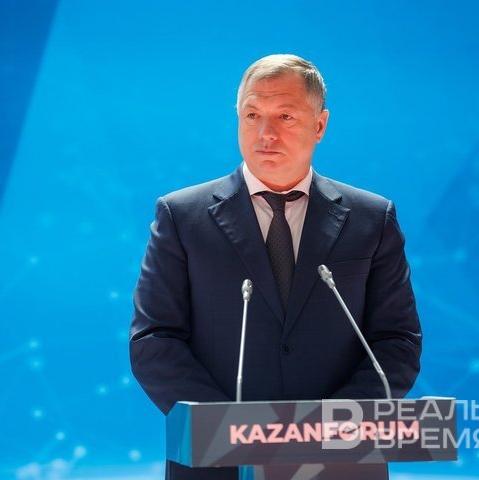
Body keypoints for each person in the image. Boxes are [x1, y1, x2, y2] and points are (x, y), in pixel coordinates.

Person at [130, 54, 422, 480]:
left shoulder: (372, 219)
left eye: (285, 116)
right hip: (217, 460)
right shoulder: (181, 216)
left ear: (319, 125)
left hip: (341, 456)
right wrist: (236, 433)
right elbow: (154, 339)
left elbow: (397, 340)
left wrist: (329, 430)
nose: (265, 133)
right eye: (252, 115)